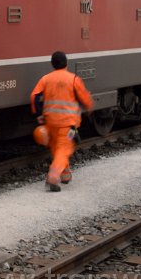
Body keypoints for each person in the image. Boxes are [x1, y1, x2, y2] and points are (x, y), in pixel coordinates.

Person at [30, 51, 93, 192]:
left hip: (50, 123)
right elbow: (85, 98)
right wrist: (89, 108)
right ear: (67, 63)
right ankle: (53, 176)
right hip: (69, 126)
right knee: (65, 148)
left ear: (52, 64)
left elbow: (34, 96)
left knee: (57, 149)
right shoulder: (73, 79)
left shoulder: (46, 79)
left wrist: (39, 114)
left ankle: (65, 175)